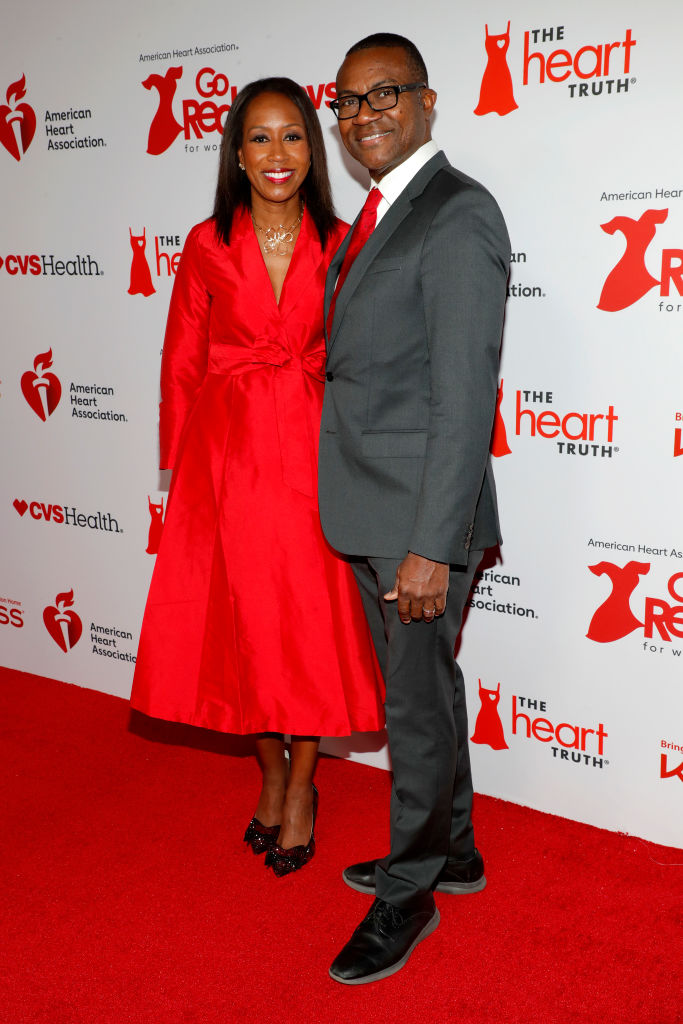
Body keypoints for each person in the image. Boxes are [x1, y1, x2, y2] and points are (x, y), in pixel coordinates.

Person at [130, 78, 385, 878]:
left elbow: (362, 362)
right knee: (241, 626)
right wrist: (179, 469)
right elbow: (181, 358)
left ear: (315, 150)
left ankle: (303, 787)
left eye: (293, 137)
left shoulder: (343, 243)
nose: (278, 154)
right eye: (260, 139)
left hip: (312, 454)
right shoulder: (207, 243)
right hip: (227, 458)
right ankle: (270, 772)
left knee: (306, 629)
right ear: (236, 155)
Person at [319, 35, 510, 982]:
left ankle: (409, 892)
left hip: (419, 522)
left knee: (413, 708)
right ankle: (459, 850)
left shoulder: (457, 213)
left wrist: (433, 546)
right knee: (427, 693)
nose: (364, 115)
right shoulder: (378, 213)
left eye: (385, 93)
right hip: (373, 504)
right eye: (348, 102)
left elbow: (463, 398)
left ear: (428, 103)